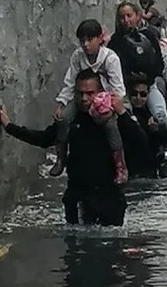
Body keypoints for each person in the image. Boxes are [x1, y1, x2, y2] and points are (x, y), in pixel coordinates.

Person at [0, 70, 146, 226]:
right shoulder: (69, 120)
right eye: (80, 93)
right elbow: (44, 138)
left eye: (90, 93)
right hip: (78, 197)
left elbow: (141, 142)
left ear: (100, 93)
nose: (84, 98)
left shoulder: (113, 119)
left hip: (109, 198)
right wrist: (9, 127)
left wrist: (121, 112)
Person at [53, 19, 128, 184]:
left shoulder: (110, 58)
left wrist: (110, 106)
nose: (86, 45)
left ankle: (120, 166)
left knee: (110, 125)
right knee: (63, 118)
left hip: (104, 98)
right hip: (81, 96)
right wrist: (61, 103)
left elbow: (118, 88)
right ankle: (61, 158)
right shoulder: (78, 56)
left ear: (100, 39)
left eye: (90, 39)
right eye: (82, 41)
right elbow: (70, 82)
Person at [109, 1, 167, 131]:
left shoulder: (149, 36)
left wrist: (146, 80)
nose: (125, 20)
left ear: (137, 16)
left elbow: (159, 64)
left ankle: (163, 147)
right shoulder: (115, 41)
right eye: (122, 17)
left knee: (161, 117)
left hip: (148, 86)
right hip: (125, 88)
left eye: (129, 15)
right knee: (126, 119)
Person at [127, 74, 167, 177]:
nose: (138, 98)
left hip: (154, 166)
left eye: (143, 94)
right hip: (133, 166)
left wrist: (158, 131)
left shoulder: (154, 114)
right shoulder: (125, 115)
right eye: (134, 94)